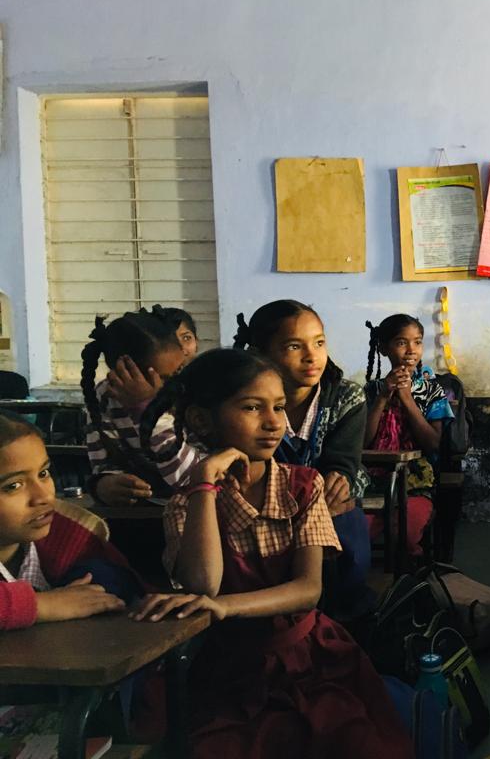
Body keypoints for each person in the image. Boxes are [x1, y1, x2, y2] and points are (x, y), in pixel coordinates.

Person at [135, 348, 412, 759]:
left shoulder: (302, 486)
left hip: (311, 659)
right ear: (200, 420)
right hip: (229, 668)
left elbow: (307, 590)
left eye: (279, 407)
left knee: (352, 742)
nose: (273, 423)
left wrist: (223, 606)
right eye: (251, 407)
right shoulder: (187, 503)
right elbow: (201, 583)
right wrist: (204, 485)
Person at [234, 300, 373, 616]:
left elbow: (343, 462)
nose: (312, 356)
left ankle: (338, 622)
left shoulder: (345, 397)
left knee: (347, 553)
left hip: (326, 503)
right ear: (260, 352)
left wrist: (341, 478)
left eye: (319, 342)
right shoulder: (243, 401)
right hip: (260, 504)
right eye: (294, 346)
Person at [0, 409, 135, 630]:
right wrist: (41, 605)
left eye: (43, 473)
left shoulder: (71, 537)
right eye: (13, 486)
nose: (43, 496)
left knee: (104, 576)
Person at [81, 310, 196, 503]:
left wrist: (147, 409)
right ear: (124, 372)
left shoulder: (197, 389)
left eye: (178, 369)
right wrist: (105, 484)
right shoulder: (106, 396)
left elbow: (191, 476)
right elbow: (104, 462)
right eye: (163, 377)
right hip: (143, 511)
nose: (173, 382)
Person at [364, 314, 453, 555]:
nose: (411, 350)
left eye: (417, 342)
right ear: (383, 348)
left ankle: (408, 584)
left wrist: (406, 398)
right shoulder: (372, 390)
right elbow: (363, 442)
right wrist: (383, 397)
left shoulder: (432, 390)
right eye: (401, 342)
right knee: (358, 534)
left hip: (415, 482)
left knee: (405, 534)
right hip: (370, 482)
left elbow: (432, 443)